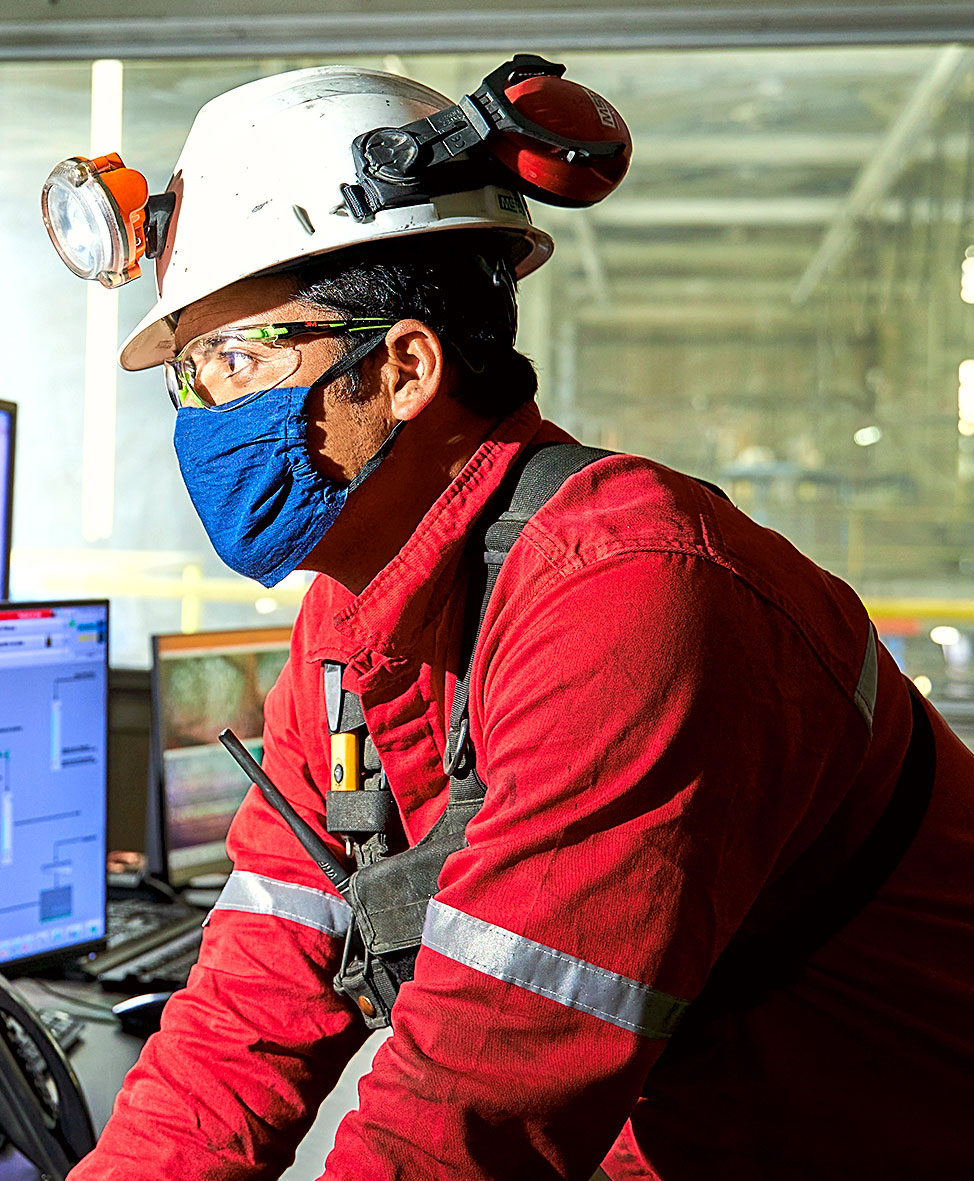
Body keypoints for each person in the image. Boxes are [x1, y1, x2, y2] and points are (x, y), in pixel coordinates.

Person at [59, 64, 974, 1179]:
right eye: (190, 375)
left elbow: (470, 1102)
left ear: (401, 367)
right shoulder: (352, 612)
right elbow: (254, 992)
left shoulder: (628, 595)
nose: (199, 412)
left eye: (233, 360)